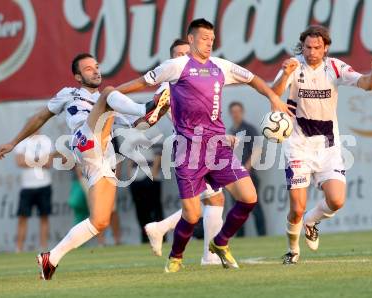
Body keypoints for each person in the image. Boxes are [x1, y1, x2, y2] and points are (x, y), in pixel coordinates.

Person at [115, 18, 293, 272]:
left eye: (211, 39)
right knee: (192, 214)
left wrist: (274, 98)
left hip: (218, 148)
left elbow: (253, 79)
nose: (209, 43)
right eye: (203, 39)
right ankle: (176, 257)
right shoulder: (177, 66)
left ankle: (220, 243)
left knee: (249, 198)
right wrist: (112, 96)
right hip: (188, 151)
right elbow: (143, 82)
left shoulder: (220, 66)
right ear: (191, 39)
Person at [0, 53, 169, 280]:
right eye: (88, 68)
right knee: (109, 93)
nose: (95, 71)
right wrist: (14, 141)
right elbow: (40, 117)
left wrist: (162, 108)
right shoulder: (69, 94)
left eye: (96, 66)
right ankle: (146, 104)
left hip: (100, 159)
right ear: (78, 76)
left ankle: (52, 258)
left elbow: (139, 124)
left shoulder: (111, 102)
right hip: (84, 141)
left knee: (100, 221)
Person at [272, 25, 372, 264]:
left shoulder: (335, 67)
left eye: (317, 47)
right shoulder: (293, 66)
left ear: (326, 48)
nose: (312, 51)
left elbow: (365, 84)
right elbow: (274, 96)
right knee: (297, 207)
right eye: (307, 47)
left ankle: (311, 222)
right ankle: (293, 251)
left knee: (336, 200)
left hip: (328, 146)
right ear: (302, 46)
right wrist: (284, 74)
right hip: (298, 145)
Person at [143, 39, 225, 265]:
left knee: (213, 199)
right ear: (171, 60)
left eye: (186, 54)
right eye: (178, 54)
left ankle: (207, 254)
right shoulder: (168, 85)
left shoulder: (197, 80)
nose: (183, 57)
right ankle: (164, 229)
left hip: (203, 145)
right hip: (189, 147)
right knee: (209, 200)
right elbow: (153, 111)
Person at [228, 101, 266, 236]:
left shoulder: (249, 129)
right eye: (233, 112)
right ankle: (240, 236)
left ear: (242, 112)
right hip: (234, 176)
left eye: (238, 111)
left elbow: (257, 149)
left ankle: (262, 236)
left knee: (254, 206)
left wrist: (247, 167)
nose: (236, 114)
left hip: (248, 175)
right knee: (237, 208)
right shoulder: (232, 131)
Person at [14, 132, 54, 252]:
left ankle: (43, 247)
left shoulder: (46, 141)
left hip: (44, 184)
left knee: (44, 216)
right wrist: (38, 159)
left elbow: (48, 163)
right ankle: (19, 248)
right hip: (27, 186)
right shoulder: (21, 143)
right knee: (22, 217)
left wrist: (29, 160)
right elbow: (19, 162)